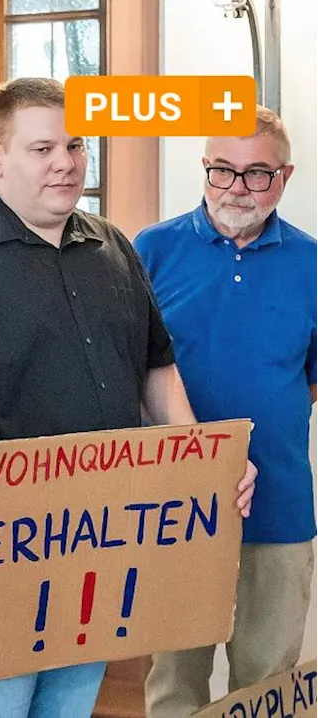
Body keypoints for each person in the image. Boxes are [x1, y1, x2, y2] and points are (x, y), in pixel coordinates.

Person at [0, 77, 256, 718]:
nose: (66, 163)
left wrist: (205, 466)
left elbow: (157, 371)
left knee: (67, 707)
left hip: (95, 546)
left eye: (75, 146)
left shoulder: (114, 247)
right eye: (43, 148)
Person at [136, 107, 317, 718]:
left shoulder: (313, 263)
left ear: (285, 176)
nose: (237, 187)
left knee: (266, 682)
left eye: (257, 173)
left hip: (280, 505)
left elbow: (310, 379)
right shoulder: (150, 250)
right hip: (173, 503)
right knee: (174, 678)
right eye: (222, 170)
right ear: (204, 170)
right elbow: (131, 368)